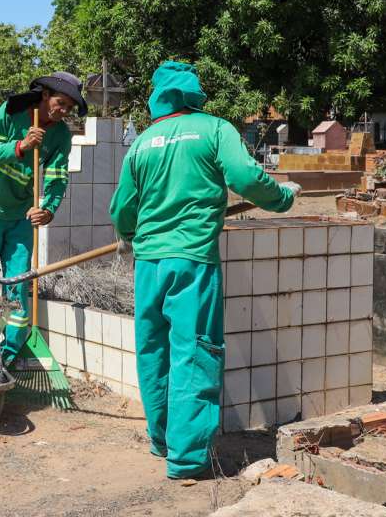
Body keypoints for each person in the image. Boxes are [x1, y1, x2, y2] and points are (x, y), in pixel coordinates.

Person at [109, 61, 301, 480]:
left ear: (158, 96)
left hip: (148, 264)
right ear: (194, 91)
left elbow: (122, 207)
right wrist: (283, 197)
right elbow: (245, 177)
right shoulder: (214, 129)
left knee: (154, 352)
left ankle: (162, 440)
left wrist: (128, 234)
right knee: (194, 353)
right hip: (192, 260)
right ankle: (186, 458)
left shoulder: (142, 142)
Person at [0, 71, 86, 364]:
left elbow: (57, 177)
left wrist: (48, 208)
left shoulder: (61, 135)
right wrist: (21, 146)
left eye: (69, 107)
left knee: (19, 283)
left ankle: (10, 355)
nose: (63, 111)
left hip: (22, 217)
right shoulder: (12, 111)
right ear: (45, 95)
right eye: (60, 103)